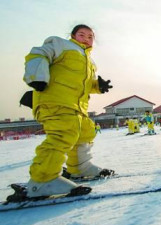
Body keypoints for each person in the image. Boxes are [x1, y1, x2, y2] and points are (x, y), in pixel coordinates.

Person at [20, 24, 114, 198]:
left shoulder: (90, 62)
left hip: (77, 107)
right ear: (72, 35)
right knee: (63, 134)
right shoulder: (60, 44)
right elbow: (37, 54)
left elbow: (83, 84)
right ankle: (42, 180)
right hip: (56, 100)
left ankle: (80, 167)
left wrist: (98, 86)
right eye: (82, 34)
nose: (86, 38)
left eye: (90, 36)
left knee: (86, 132)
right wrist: (37, 77)